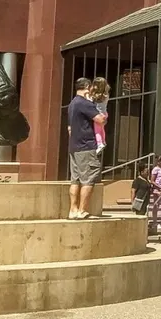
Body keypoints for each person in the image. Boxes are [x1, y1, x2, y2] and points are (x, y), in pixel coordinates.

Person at [67, 78, 107, 219]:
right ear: (88, 87)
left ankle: (73, 210)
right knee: (88, 179)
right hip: (86, 146)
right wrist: (104, 113)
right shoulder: (84, 104)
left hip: (74, 146)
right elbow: (100, 119)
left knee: (75, 180)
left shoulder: (72, 104)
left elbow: (70, 129)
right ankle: (83, 210)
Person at [90, 77, 110, 156]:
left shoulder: (96, 96)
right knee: (102, 129)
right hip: (104, 113)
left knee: (97, 130)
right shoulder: (106, 95)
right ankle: (103, 141)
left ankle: (99, 143)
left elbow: (91, 100)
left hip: (98, 115)